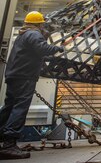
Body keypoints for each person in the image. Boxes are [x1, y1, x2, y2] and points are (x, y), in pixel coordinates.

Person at [0, 11, 64, 160]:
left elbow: (36, 53)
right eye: (42, 24)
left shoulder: (23, 35)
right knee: (19, 108)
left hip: (14, 75)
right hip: (24, 77)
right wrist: (59, 49)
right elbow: (43, 49)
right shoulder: (34, 34)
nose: (43, 26)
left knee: (9, 106)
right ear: (39, 24)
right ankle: (9, 144)